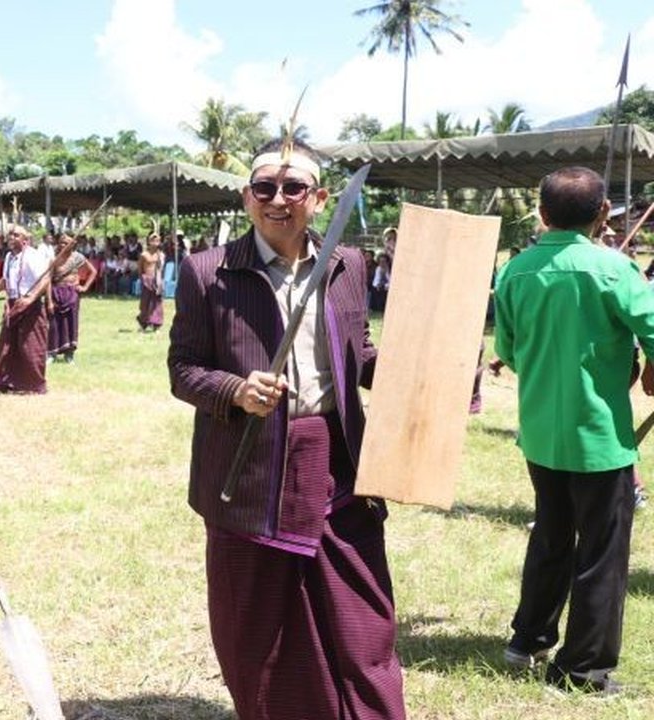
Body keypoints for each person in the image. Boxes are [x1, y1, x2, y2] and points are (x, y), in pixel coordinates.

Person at [168, 138, 405, 720]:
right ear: (247, 197)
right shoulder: (208, 272)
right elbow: (183, 369)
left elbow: (361, 351)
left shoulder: (348, 265)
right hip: (248, 473)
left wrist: (427, 369)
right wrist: (235, 390)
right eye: (264, 187)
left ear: (319, 198)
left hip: (337, 462)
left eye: (293, 187)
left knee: (362, 621)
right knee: (257, 630)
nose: (278, 199)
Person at [494, 166, 654, 695]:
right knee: (602, 554)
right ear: (604, 213)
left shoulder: (514, 273)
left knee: (550, 536)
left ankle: (527, 640)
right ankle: (583, 670)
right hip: (600, 440)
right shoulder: (616, 270)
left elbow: (509, 352)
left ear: (541, 214)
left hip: (540, 435)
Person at [0, 224, 50, 393]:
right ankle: (5, 383)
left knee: (30, 346)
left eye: (16, 235)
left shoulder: (34, 256)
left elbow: (45, 278)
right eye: (10, 234)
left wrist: (31, 298)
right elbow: (5, 281)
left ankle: (34, 386)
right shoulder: (10, 257)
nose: (11, 237)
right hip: (13, 305)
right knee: (5, 345)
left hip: (30, 306)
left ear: (26, 240)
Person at [47, 232, 96, 364]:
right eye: (61, 242)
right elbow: (48, 281)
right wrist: (49, 301)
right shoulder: (54, 259)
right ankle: (52, 353)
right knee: (54, 324)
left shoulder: (78, 258)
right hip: (56, 293)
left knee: (71, 322)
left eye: (66, 242)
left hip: (72, 293)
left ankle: (69, 354)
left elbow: (93, 271)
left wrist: (84, 287)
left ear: (73, 244)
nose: (63, 244)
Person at [136, 233, 165, 331]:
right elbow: (140, 269)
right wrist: (143, 280)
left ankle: (156, 324)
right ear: (149, 241)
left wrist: (159, 281)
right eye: (153, 240)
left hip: (157, 279)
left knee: (157, 302)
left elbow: (161, 268)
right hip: (146, 280)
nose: (155, 243)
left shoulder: (160, 255)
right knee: (146, 303)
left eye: (157, 241)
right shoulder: (144, 255)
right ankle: (143, 323)